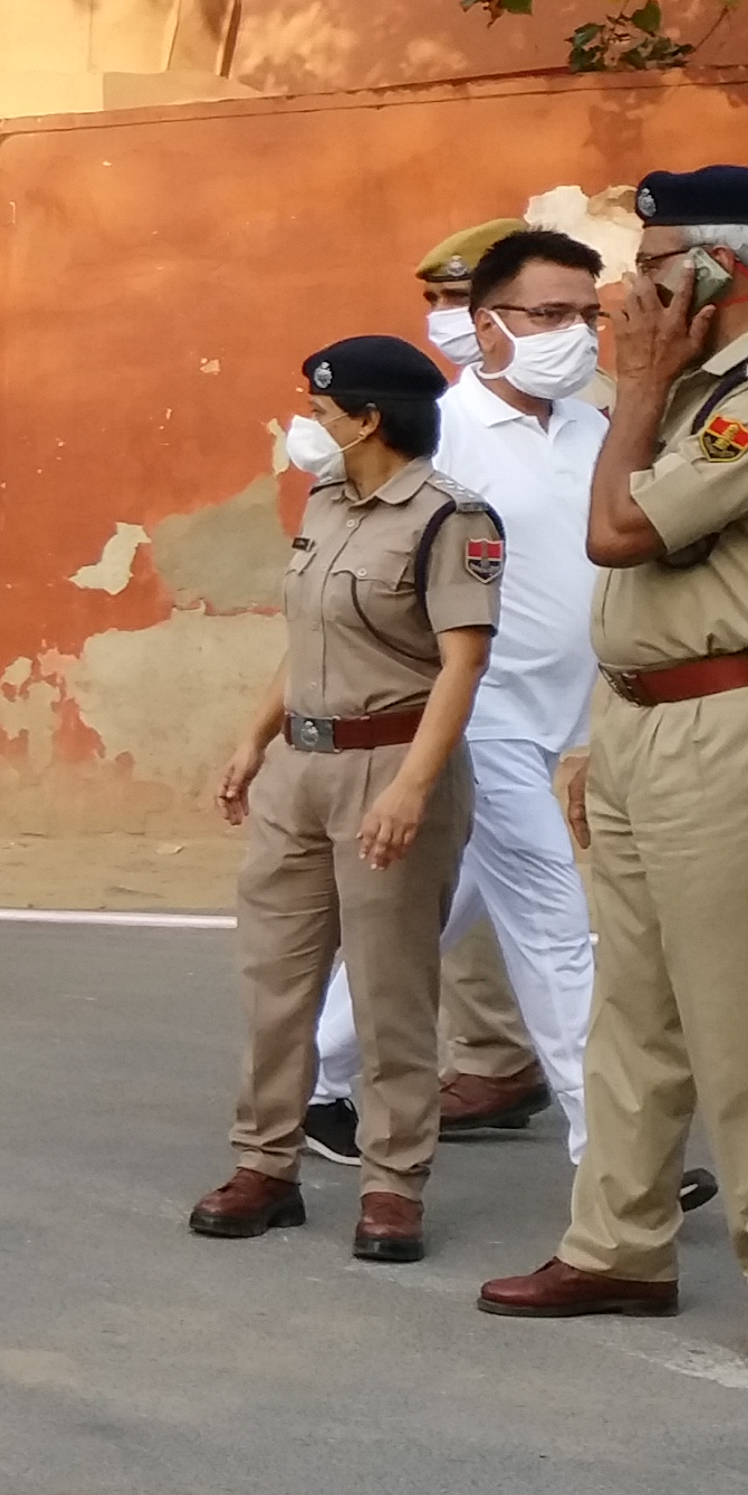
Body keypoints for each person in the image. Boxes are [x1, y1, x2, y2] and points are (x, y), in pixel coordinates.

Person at [480, 165, 748, 1373]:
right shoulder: (702, 389)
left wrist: (638, 388)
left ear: (721, 268)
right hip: (652, 717)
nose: (624, 292)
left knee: (745, 1015)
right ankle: (619, 1247)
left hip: (737, 718)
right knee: (632, 1009)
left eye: (651, 263)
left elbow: (622, 533)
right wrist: (609, 727)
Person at [189, 337, 502, 1262]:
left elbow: (464, 662)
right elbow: (309, 638)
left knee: (390, 987)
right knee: (275, 980)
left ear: (369, 419)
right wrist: (254, 740)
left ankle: (393, 1182)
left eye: (322, 411)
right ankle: (264, 1164)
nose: (307, 426)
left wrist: (411, 787)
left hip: (392, 765)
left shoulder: (452, 519)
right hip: (303, 767)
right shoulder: (327, 504)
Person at [301, 230, 605, 1168]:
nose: (578, 335)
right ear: (488, 325)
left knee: (443, 911)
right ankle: (615, 1154)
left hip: (568, 717)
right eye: (551, 315)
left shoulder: (601, 429)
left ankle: (314, 1080)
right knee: (556, 923)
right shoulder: (441, 433)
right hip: (479, 716)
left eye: (589, 315)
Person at [416, 216, 520, 375]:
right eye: (433, 299)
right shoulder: (448, 400)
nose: (440, 312)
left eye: (459, 296)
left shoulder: (566, 388)